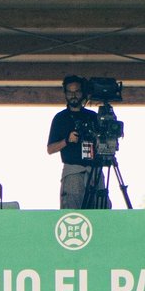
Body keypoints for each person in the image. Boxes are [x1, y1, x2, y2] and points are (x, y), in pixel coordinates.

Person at [47, 75, 96, 209]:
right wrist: (67, 141)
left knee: (101, 213)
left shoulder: (93, 116)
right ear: (65, 94)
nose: (73, 95)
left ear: (82, 93)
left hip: (94, 171)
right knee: (73, 215)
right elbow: (50, 149)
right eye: (70, 92)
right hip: (73, 171)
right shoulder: (60, 118)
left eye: (77, 91)